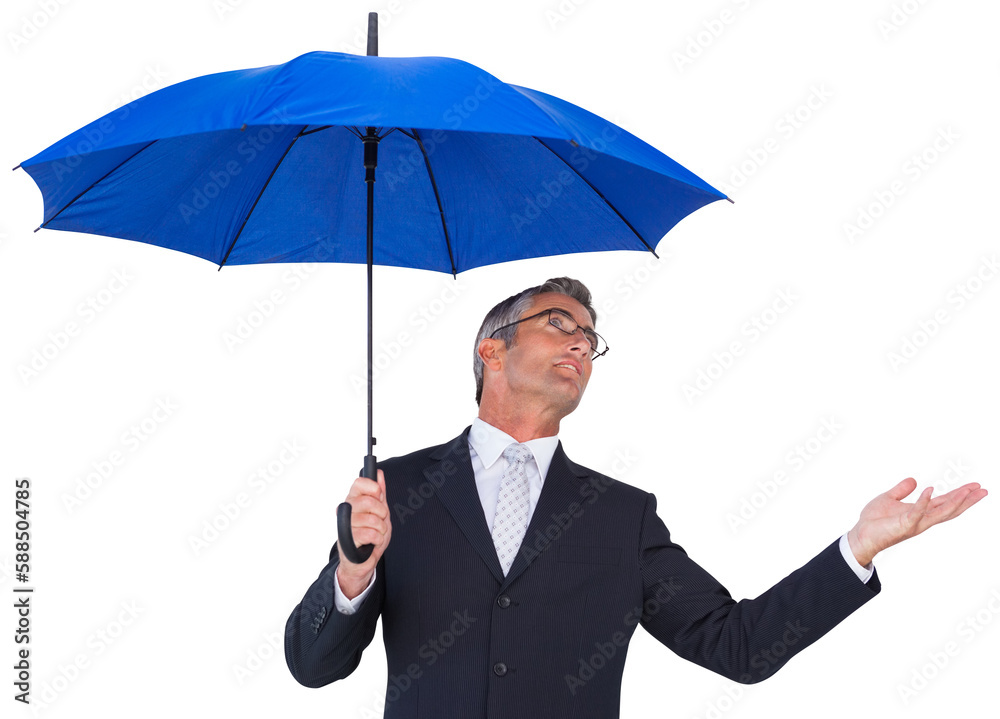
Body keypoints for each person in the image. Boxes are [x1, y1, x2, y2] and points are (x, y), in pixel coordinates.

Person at [284, 277, 986, 718]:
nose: (581, 345)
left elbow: (739, 646)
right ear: (491, 351)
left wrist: (857, 548)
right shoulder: (396, 491)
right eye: (559, 325)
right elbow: (313, 667)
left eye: (590, 339)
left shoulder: (621, 517)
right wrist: (352, 573)